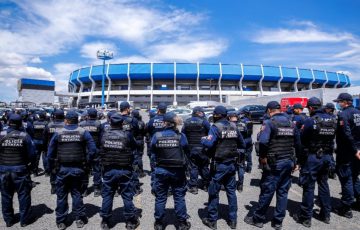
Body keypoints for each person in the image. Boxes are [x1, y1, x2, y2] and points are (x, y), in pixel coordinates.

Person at [244, 101, 301, 230]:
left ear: (269, 110)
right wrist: (297, 162)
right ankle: (278, 222)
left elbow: (263, 141)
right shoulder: (291, 123)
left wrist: (263, 157)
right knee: (282, 192)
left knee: (267, 191)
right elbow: (298, 144)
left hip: (274, 162)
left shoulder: (270, 123)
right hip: (288, 161)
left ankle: (258, 219)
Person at [47, 110, 97, 230]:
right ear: (77, 120)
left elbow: (50, 154)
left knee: (62, 195)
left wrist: (51, 168)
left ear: (66, 120)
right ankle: (79, 219)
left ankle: (61, 221)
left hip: (62, 169)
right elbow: (93, 150)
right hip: (78, 169)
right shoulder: (83, 132)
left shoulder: (58, 133)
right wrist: (88, 163)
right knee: (77, 194)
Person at [293, 97, 336, 227]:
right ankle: (326, 214)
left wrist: (299, 160)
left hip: (312, 157)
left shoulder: (311, 121)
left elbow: (301, 141)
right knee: (323, 184)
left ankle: (306, 217)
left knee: (308, 187)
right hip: (327, 156)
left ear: (311, 108)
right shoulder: (333, 119)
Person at [201, 105, 245, 230]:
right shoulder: (234, 126)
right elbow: (242, 144)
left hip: (219, 165)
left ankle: (212, 221)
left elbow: (209, 143)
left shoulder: (215, 127)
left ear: (216, 115)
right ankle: (233, 221)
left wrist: (203, 140)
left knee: (213, 192)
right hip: (231, 164)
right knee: (231, 192)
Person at [150, 112, 191, 230]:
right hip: (178, 172)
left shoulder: (157, 136)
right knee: (179, 197)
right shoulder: (181, 136)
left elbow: (152, 152)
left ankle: (158, 223)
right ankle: (182, 223)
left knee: (161, 197)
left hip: (161, 170)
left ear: (164, 123)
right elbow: (186, 151)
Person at [99, 114, 140, 230]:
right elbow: (135, 147)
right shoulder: (127, 135)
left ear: (110, 122)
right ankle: (130, 221)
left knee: (107, 195)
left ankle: (105, 221)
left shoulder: (104, 135)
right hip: (124, 169)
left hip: (108, 169)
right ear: (122, 124)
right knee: (127, 195)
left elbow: (100, 149)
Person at [0, 114, 36, 227]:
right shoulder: (25, 136)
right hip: (20, 169)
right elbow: (32, 154)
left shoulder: (1, 135)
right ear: (21, 123)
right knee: (23, 194)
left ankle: (8, 220)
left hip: (3, 170)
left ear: (8, 122)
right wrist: (31, 168)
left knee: (6, 195)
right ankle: (24, 220)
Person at [333, 93, 360, 218]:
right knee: (354, 177)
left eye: (340, 102)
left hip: (348, 152)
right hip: (358, 151)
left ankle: (346, 207)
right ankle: (358, 202)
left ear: (345, 102)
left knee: (346, 178)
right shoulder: (358, 112)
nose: (338, 104)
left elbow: (346, 134)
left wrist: (354, 150)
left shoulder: (343, 114)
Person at [182, 106, 211, 194]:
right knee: (204, 167)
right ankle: (207, 185)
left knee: (193, 167)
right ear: (199, 113)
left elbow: (183, 135)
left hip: (191, 149)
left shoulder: (186, 122)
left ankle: (194, 186)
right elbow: (211, 134)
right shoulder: (204, 122)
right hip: (203, 149)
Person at [119, 102, 142, 196]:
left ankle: (120, 188)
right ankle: (135, 188)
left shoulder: (115, 118)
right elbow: (137, 132)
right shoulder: (133, 120)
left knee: (119, 166)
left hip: (119, 146)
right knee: (133, 167)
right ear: (127, 109)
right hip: (130, 146)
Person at [79, 108, 102, 197]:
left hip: (85, 150)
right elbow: (101, 138)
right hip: (96, 149)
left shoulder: (81, 124)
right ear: (96, 115)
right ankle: (97, 188)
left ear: (87, 115)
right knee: (97, 169)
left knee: (85, 170)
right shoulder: (99, 124)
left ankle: (84, 189)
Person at [146, 103, 167, 194]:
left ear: (158, 110)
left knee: (154, 168)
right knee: (166, 166)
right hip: (166, 146)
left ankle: (155, 187)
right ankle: (167, 188)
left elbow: (146, 131)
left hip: (154, 146)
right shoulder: (168, 119)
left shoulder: (152, 120)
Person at [44, 109, 65, 194]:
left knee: (53, 169)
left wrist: (46, 149)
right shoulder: (65, 125)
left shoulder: (49, 125)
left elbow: (44, 138)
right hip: (62, 149)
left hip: (52, 150)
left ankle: (53, 186)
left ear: (54, 116)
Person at [323, 102, 337, 179]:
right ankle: (332, 172)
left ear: (329, 109)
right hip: (332, 139)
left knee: (328, 156)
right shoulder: (335, 117)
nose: (325, 109)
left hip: (326, 140)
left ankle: (331, 171)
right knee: (330, 155)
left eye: (326, 108)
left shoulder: (326, 117)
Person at [131, 109, 146, 178]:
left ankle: (134, 171)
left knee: (134, 156)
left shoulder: (131, 122)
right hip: (140, 140)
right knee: (139, 156)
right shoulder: (142, 123)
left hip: (133, 140)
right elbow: (145, 132)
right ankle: (141, 171)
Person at [32, 110, 48, 176]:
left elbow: (32, 131)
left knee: (36, 156)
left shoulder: (34, 123)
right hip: (44, 141)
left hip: (36, 141)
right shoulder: (46, 123)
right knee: (45, 156)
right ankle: (47, 172)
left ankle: (35, 172)